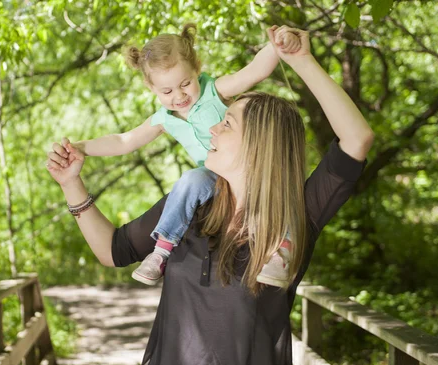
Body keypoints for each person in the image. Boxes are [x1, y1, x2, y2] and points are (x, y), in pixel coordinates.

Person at [46, 25, 374, 365]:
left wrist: (301, 60)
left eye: (227, 123)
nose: (213, 128)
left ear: (258, 145)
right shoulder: (190, 205)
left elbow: (356, 139)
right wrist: (71, 182)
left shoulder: (298, 213)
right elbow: (112, 250)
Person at [47, 23, 301, 288]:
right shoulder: (163, 119)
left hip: (241, 167)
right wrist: (81, 147)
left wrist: (277, 46)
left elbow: (254, 72)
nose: (179, 96)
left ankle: (281, 250)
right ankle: (161, 251)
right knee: (189, 180)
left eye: (185, 84)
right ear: (151, 87)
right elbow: (124, 141)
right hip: (210, 176)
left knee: (269, 185)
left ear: (197, 69)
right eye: (167, 91)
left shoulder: (215, 91)